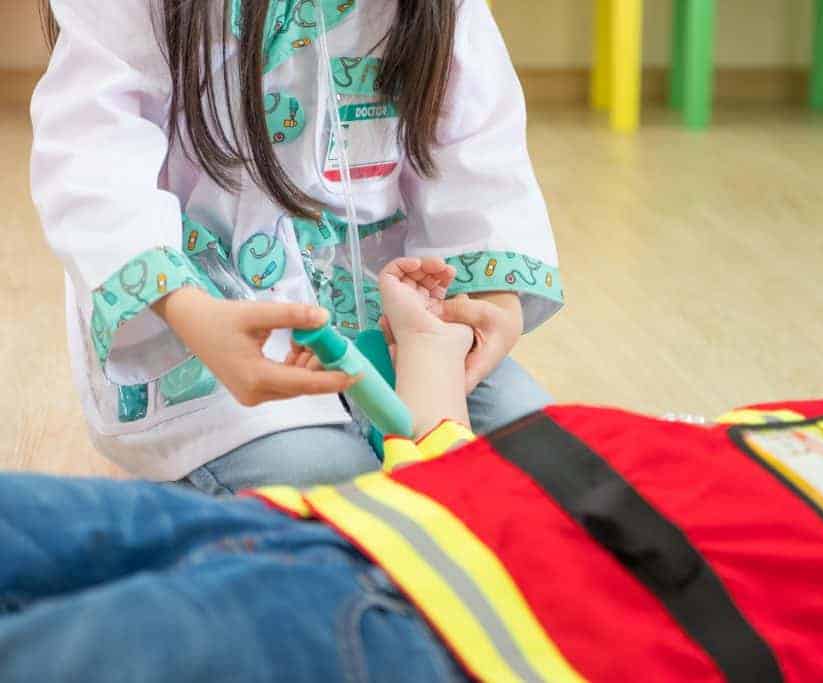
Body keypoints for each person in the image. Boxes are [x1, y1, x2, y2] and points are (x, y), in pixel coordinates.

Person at [0, 256, 823, 681]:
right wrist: (424, 345)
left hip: (439, 637)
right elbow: (464, 458)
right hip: (344, 527)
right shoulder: (757, 435)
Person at [30, 0, 563, 494]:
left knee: (546, 468)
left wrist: (488, 307)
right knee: (331, 492)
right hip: (213, 317)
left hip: (401, 313)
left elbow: (477, 144)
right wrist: (192, 313)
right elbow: (94, 153)